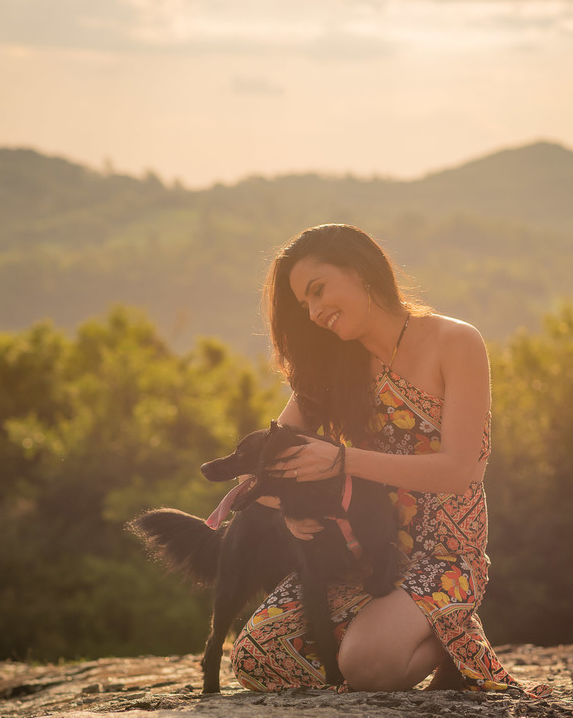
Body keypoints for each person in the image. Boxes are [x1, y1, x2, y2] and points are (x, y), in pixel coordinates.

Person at [230, 224, 542, 695]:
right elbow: (271, 462)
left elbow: (460, 471)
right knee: (256, 658)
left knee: (366, 664)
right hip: (363, 555)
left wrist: (341, 462)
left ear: (362, 270)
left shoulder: (455, 342)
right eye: (304, 305)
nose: (314, 313)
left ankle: (449, 637)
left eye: (319, 291)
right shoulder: (331, 368)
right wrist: (287, 507)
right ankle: (398, 632)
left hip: (445, 556)